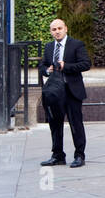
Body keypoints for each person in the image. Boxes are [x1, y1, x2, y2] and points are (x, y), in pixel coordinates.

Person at [39, 18, 91, 168]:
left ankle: (79, 155)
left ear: (66, 29)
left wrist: (65, 66)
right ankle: (57, 155)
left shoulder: (76, 44)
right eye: (54, 29)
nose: (57, 32)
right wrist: (47, 70)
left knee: (76, 124)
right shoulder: (49, 47)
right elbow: (41, 65)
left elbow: (86, 64)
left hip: (71, 91)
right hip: (54, 93)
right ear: (51, 32)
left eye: (59, 28)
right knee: (55, 124)